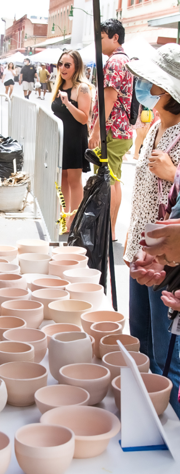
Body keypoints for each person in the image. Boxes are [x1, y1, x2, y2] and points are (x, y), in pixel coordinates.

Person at [124, 43, 180, 416]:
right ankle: (148, 412)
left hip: (168, 260)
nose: (145, 90)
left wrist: (175, 174)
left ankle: (170, 419)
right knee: (140, 337)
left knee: (166, 352)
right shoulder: (155, 127)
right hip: (141, 252)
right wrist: (131, 240)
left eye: (153, 85)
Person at [89, 19, 134, 241]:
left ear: (115, 37)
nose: (98, 41)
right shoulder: (123, 60)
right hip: (120, 130)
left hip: (113, 130)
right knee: (113, 179)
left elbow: (109, 96)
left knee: (109, 181)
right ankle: (110, 229)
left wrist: (97, 130)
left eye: (101, 36)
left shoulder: (115, 62)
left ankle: (109, 230)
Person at [51, 51, 92, 230]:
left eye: (67, 65)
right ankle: (64, 220)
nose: (63, 68)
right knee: (62, 180)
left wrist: (68, 103)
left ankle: (75, 223)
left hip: (75, 138)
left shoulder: (82, 88)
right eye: (61, 64)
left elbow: (84, 118)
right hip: (61, 139)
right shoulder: (59, 85)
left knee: (74, 181)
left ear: (76, 66)